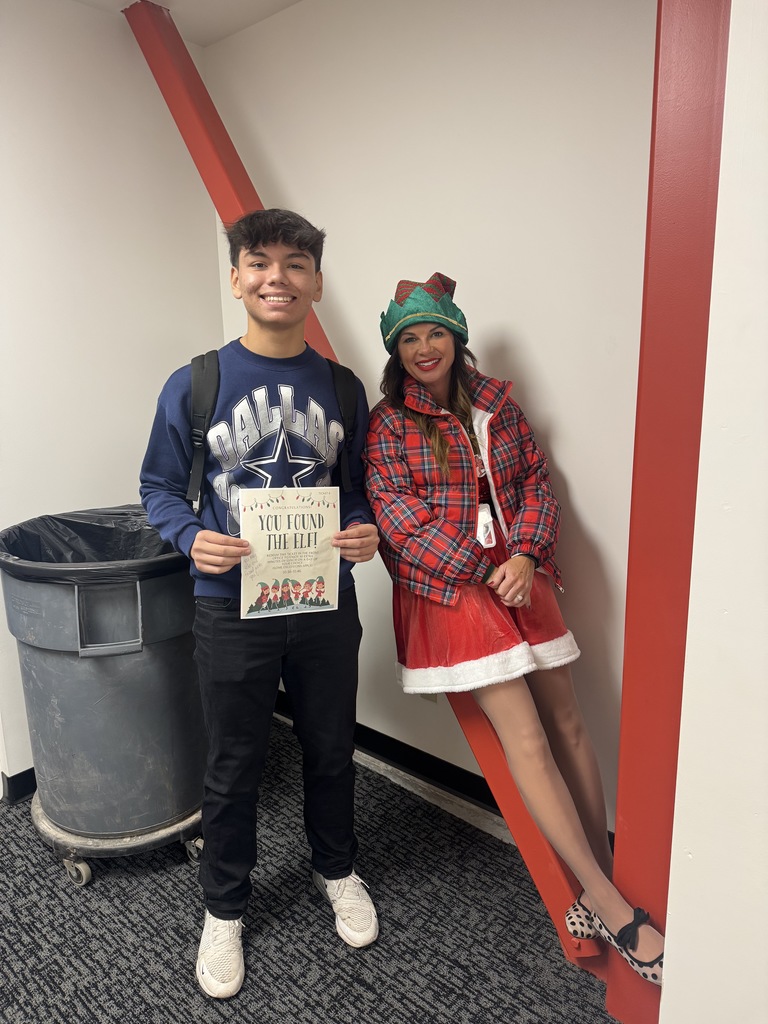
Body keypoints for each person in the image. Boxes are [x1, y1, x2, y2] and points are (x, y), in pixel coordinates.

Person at [363, 273, 664, 986]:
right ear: (396, 352)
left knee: (570, 722)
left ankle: (601, 877)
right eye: (410, 338)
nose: (425, 347)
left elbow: (532, 483)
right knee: (526, 738)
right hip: (452, 591)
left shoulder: (497, 402)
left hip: (519, 575)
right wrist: (477, 566)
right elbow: (396, 516)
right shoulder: (389, 424)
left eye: (436, 332)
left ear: (456, 337)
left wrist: (526, 554)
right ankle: (611, 903)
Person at [140, 209, 380, 1000]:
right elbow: (155, 488)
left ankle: (336, 867)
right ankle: (225, 907)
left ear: (316, 281)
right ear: (236, 278)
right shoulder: (197, 381)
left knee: (330, 746)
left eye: (296, 263)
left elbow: (357, 492)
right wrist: (187, 537)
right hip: (229, 604)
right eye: (260, 262)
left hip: (322, 606)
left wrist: (360, 532)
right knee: (234, 762)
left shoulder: (344, 386)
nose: (277, 276)